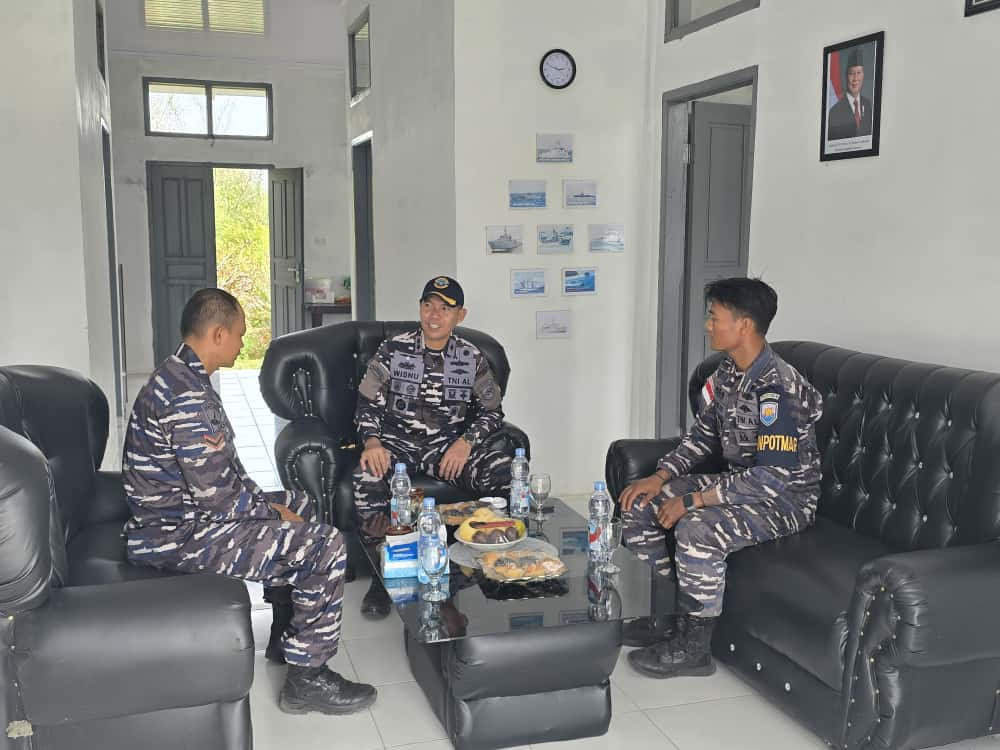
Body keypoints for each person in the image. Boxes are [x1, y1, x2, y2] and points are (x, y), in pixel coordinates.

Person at [122, 288, 377, 715]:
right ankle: (308, 678)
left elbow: (222, 481)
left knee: (304, 504)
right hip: (178, 535)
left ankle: (285, 634)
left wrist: (276, 507)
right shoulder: (185, 397)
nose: (242, 343)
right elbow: (217, 500)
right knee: (326, 544)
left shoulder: (182, 376)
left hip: (189, 518)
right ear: (218, 334)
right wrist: (272, 513)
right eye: (239, 335)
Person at [619, 278, 822, 679]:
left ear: (744, 325)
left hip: (785, 500)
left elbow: (770, 479)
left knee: (696, 527)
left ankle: (694, 648)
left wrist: (693, 501)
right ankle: (662, 616)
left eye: (714, 317)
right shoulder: (731, 370)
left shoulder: (777, 389)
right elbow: (703, 436)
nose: (708, 325)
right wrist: (659, 478)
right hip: (741, 485)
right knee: (640, 502)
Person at [352, 276, 514, 617]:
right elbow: (366, 403)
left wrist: (465, 443)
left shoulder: (472, 357)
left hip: (446, 449)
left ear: (461, 315)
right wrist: (372, 441)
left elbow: (493, 412)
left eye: (445, 308)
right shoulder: (393, 350)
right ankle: (382, 578)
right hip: (395, 445)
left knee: (504, 471)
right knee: (366, 476)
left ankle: (492, 563)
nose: (434, 315)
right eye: (428, 305)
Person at [827, 50, 873, 141]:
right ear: (846, 76)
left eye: (859, 73)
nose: (855, 79)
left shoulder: (868, 106)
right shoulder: (835, 112)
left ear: (863, 75)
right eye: (851, 73)